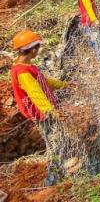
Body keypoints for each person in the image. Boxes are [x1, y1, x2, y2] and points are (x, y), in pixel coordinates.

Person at [10, 29, 68, 185]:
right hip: (42, 112)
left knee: (55, 138)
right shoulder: (22, 72)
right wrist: (51, 110)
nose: (38, 51)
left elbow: (43, 81)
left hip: (45, 110)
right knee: (54, 140)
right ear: (33, 49)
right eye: (38, 47)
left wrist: (63, 85)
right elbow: (35, 92)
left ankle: (59, 167)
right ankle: (55, 176)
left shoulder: (26, 67)